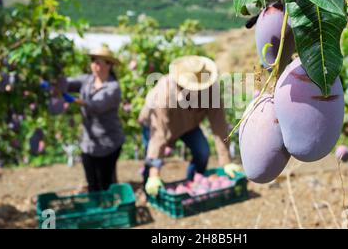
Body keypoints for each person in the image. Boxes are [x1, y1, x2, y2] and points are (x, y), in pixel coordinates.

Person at [138, 55, 241, 196]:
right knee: (151, 161)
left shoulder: (210, 89)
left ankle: (194, 184)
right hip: (155, 125)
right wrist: (154, 174)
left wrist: (226, 160)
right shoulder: (165, 92)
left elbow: (219, 124)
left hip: (188, 124)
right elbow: (159, 134)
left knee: (202, 151)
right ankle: (149, 192)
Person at [63, 46, 125, 192]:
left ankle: (108, 209)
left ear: (108, 65)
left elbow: (96, 106)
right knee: (92, 183)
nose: (94, 65)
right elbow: (69, 83)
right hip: (89, 142)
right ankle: (98, 209)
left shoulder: (113, 88)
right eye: (93, 61)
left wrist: (73, 100)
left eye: (99, 62)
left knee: (105, 183)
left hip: (108, 143)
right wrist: (55, 82)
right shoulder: (87, 80)